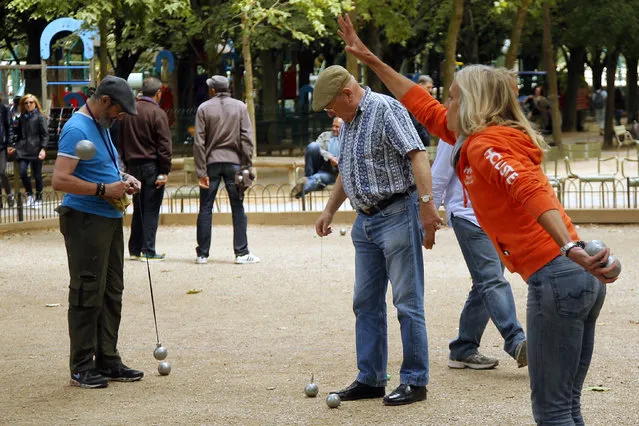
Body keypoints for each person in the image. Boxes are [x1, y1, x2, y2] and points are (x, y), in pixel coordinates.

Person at [337, 14, 616, 424]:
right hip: (573, 281)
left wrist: (569, 245)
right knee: (567, 406)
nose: (444, 103)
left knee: (553, 410)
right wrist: (371, 61)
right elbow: (420, 104)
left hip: (558, 277)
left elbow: (529, 189)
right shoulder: (472, 137)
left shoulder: (485, 145)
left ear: (472, 103)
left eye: (452, 96)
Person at [314, 65, 442, 406]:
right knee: (365, 303)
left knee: (407, 302)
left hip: (398, 213)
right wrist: (329, 210)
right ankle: (370, 378)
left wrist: (427, 207)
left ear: (346, 93)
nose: (329, 112)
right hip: (365, 222)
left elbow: (418, 154)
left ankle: (415, 381)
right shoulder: (351, 121)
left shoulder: (385, 109)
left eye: (330, 104)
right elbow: (347, 169)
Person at [52, 76, 144, 389]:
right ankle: (81, 366)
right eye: (118, 110)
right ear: (105, 101)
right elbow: (60, 180)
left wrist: (123, 178)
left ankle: (108, 358)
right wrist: (104, 188)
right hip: (85, 220)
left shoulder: (102, 126)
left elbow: (98, 167)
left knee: (112, 290)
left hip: (108, 217)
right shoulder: (77, 129)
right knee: (87, 290)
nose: (120, 116)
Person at [431, 140, 527, 370]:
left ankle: (463, 347)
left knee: (484, 283)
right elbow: (438, 176)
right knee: (492, 280)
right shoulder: (453, 131)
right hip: (468, 217)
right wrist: (427, 220)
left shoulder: (498, 128)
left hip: (496, 218)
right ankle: (517, 342)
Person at [194, 75, 260, 265]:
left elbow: (199, 143)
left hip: (211, 163)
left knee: (205, 208)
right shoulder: (240, 107)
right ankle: (241, 252)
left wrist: (201, 171)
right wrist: (247, 164)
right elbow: (246, 138)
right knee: (238, 207)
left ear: (213, 90)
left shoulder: (203, 108)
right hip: (234, 163)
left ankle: (202, 254)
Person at [119, 77, 172, 261]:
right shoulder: (157, 113)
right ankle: (148, 250)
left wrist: (126, 164)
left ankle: (134, 248)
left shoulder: (127, 112)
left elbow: (121, 141)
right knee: (151, 209)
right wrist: (164, 171)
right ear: (158, 93)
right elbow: (164, 145)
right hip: (152, 166)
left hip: (133, 166)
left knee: (138, 207)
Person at [7, 94, 48, 208]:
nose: (29, 104)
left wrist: (43, 149)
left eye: (31, 102)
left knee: (37, 175)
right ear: (23, 105)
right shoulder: (21, 118)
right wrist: (14, 145)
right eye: (26, 103)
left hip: (36, 149)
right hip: (22, 150)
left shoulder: (40, 117)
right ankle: (29, 195)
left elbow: (45, 134)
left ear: (35, 103)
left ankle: (39, 199)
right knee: (23, 172)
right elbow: (18, 134)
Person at [290, 117, 343, 198]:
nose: (334, 128)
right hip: (322, 167)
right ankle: (308, 178)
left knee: (317, 178)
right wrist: (329, 157)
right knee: (312, 146)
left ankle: (302, 188)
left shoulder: (347, 139)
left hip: (335, 173)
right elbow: (319, 148)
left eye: (337, 127)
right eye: (333, 126)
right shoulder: (325, 135)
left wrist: (337, 162)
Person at [409, 75, 433, 146]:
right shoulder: (413, 99)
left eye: (431, 87)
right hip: (417, 139)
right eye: (428, 87)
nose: (430, 90)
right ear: (420, 85)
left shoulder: (424, 99)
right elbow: (417, 124)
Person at [0, 95, 14, 207]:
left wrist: (9, 143)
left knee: (2, 172)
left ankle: (9, 195)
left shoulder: (4, 108)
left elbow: (9, 126)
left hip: (1, 145)